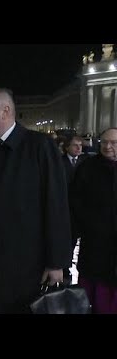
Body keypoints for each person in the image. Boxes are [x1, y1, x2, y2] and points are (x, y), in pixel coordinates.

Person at [0, 87, 72, 314]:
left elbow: (56, 205)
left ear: (5, 111)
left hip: (29, 264)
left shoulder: (40, 146)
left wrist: (57, 261)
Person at [70, 128, 117, 313]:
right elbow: (75, 203)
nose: (107, 147)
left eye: (113, 143)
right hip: (94, 245)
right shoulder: (87, 168)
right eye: (104, 142)